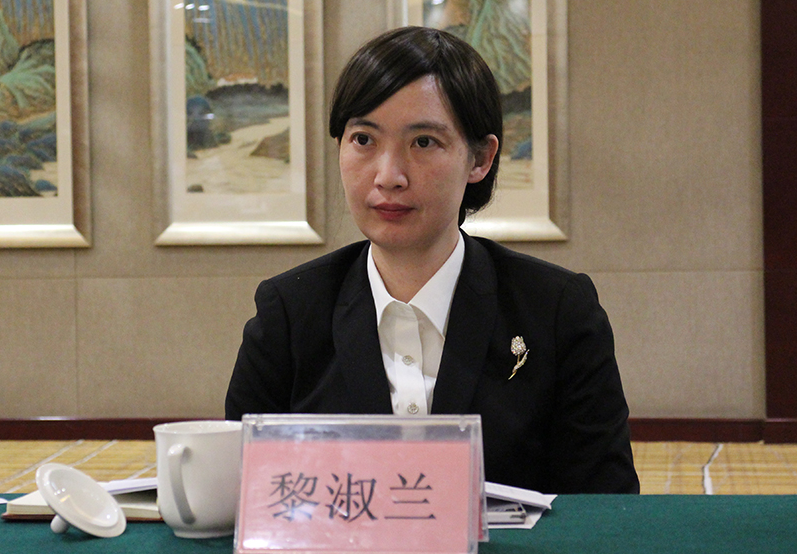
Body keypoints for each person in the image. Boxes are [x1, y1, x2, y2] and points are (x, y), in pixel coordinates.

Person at [225, 26, 639, 495]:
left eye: (423, 142)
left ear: (480, 159)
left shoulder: (557, 311)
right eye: (363, 139)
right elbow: (246, 498)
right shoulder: (289, 313)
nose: (389, 176)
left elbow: (608, 510)